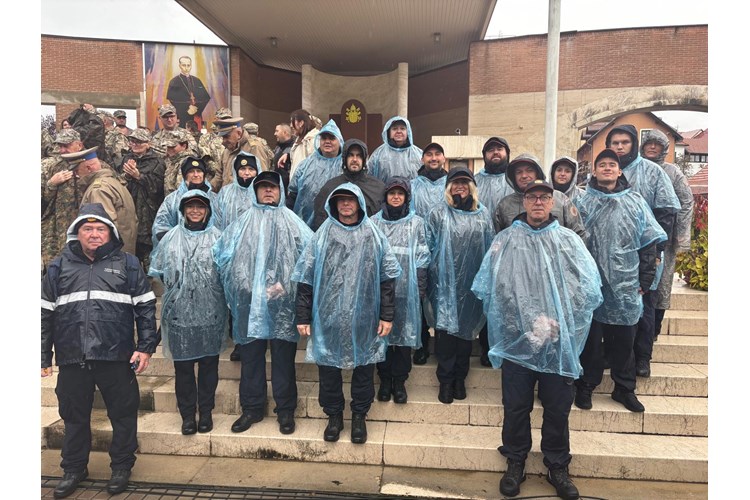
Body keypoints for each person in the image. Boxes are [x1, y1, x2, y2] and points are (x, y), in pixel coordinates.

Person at [472, 179, 602, 500]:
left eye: (545, 197)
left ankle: (557, 465)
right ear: (524, 202)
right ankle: (515, 461)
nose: (539, 202)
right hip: (519, 340)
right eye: (533, 197)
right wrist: (526, 323)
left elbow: (586, 288)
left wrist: (558, 321)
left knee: (557, 408)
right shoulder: (506, 240)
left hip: (558, 340)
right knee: (516, 406)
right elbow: (494, 288)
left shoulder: (569, 241)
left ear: (553, 202)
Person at [42, 203, 158, 497]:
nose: (94, 234)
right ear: (77, 233)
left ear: (110, 232)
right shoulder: (58, 266)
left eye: (100, 228)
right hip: (73, 357)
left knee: (123, 414)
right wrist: (43, 356)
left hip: (116, 355)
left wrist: (145, 348)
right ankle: (73, 469)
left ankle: (121, 467)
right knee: (73, 417)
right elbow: (44, 314)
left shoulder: (128, 264)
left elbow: (146, 307)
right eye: (87, 228)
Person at [292, 183, 401, 444]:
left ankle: (360, 416)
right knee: (328, 368)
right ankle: (334, 416)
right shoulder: (323, 234)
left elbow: (387, 278)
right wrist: (303, 315)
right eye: (340, 200)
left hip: (365, 315)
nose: (345, 204)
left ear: (359, 203)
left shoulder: (373, 234)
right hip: (328, 315)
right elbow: (306, 277)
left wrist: (387, 315)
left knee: (364, 367)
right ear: (333, 204)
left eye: (350, 199)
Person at [213, 171, 313, 435]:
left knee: (283, 359)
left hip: (282, 305)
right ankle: (252, 408)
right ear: (255, 191)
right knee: (251, 358)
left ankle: (285, 410)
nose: (268, 191)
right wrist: (245, 285)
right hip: (249, 305)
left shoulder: (293, 223)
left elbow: (308, 259)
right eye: (263, 187)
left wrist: (284, 285)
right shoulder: (241, 223)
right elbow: (224, 257)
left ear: (280, 190)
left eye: (273, 187)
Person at [573, 149, 667, 414]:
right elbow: (571, 243)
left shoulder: (635, 201)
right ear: (594, 171)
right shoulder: (582, 201)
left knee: (625, 341)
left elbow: (648, 241)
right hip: (591, 282)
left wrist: (646, 278)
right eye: (601, 164)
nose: (607, 168)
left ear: (619, 171)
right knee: (591, 341)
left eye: (611, 164)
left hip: (626, 283)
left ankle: (624, 389)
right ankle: (586, 385)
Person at [604, 125, 680, 379]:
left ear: (633, 144)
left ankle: (642, 358)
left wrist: (657, 251)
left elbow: (666, 211)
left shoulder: (652, 171)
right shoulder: (604, 171)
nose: (619, 147)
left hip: (645, 252)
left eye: (624, 142)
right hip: (612, 255)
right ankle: (612, 355)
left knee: (644, 305)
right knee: (612, 306)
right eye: (614, 142)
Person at [149, 190, 227, 435]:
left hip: (211, 314)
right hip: (179, 316)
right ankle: (187, 416)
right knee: (183, 370)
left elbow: (227, 273)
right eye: (190, 206)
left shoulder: (219, 238)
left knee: (208, 367)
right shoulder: (171, 238)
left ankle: (206, 412)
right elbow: (160, 271)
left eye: (200, 206)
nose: (195, 210)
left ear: (207, 210)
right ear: (183, 210)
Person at [425, 167, 494, 404]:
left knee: (466, 334)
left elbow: (490, 248)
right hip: (443, 284)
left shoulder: (483, 215)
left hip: (471, 284)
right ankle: (445, 381)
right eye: (455, 182)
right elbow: (427, 246)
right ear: (448, 187)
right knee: (445, 335)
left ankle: (460, 379)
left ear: (472, 186)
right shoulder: (437, 213)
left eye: (464, 182)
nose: (460, 186)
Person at [371, 177, 430, 404]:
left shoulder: (417, 223)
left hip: (408, 291)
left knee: (404, 338)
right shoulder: (374, 223)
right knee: (382, 336)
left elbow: (423, 256)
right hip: (380, 292)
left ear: (406, 197)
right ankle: (385, 379)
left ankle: (400, 381)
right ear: (385, 196)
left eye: (400, 193)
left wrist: (420, 288)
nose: (396, 197)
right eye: (392, 193)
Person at [640, 129, 695, 354]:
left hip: (665, 239)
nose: (652, 147)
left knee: (661, 285)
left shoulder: (673, 172)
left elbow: (686, 201)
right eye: (649, 143)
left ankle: (654, 329)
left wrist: (681, 236)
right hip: (638, 238)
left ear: (664, 148)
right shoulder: (635, 170)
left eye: (657, 144)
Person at [409, 142, 448, 365]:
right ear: (422, 159)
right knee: (420, 299)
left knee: (443, 298)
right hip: (418, 249)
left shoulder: (451, 184)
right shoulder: (413, 185)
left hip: (446, 250)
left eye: (437, 154)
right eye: (429, 155)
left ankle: (442, 346)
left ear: (444, 158)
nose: (433, 158)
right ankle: (421, 345)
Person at [62, 147, 138, 255]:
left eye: (77, 171)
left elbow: (103, 227)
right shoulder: (112, 182)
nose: (76, 176)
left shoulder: (98, 190)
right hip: (121, 253)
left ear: (88, 168)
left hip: (108, 256)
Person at [493, 153, 586, 240]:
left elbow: (578, 234)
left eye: (529, 170)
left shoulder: (560, 199)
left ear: (538, 173)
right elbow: (497, 240)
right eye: (519, 172)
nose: (524, 175)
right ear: (513, 176)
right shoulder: (505, 205)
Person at [311, 138, 386, 231]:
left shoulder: (377, 188)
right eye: (350, 155)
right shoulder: (330, 187)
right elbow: (320, 221)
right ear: (344, 159)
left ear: (364, 159)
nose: (354, 159)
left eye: (359, 156)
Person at [120, 128, 166, 271]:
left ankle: (150, 278)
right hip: (129, 208)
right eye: (133, 141)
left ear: (148, 144)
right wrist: (127, 176)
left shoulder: (157, 162)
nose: (135, 144)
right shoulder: (126, 159)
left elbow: (158, 187)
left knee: (147, 250)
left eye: (139, 142)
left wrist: (139, 176)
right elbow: (118, 182)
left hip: (148, 212)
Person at [286, 119, 345, 227]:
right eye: (324, 138)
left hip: (337, 226)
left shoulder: (345, 166)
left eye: (332, 138)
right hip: (305, 225)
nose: (327, 141)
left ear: (339, 141)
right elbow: (293, 194)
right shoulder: (305, 165)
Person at [42, 129, 86, 268]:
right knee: (56, 268)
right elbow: (42, 201)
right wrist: (52, 183)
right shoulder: (50, 166)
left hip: (85, 227)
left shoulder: (92, 163)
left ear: (79, 145)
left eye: (66, 145)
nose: (62, 150)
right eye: (60, 146)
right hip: (56, 231)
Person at [152, 155, 217, 247]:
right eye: (191, 171)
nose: (196, 175)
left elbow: (222, 226)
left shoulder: (215, 199)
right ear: (184, 175)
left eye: (199, 171)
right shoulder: (172, 200)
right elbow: (160, 227)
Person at [368, 116, 423, 182]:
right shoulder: (378, 154)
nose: (399, 131)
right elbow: (369, 178)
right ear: (389, 132)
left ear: (408, 131)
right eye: (394, 129)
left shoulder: (418, 154)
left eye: (402, 128)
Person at [213, 151, 259, 230]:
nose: (247, 173)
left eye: (251, 169)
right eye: (242, 169)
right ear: (236, 172)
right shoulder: (225, 192)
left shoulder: (262, 193)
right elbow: (217, 219)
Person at [166, 55, 211, 131]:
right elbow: (173, 100)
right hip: (183, 116)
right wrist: (187, 108)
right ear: (180, 65)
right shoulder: (174, 81)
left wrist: (197, 109)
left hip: (196, 115)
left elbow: (205, 98)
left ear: (191, 65)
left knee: (197, 133)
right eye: (184, 65)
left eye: (188, 65)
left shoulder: (197, 80)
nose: (186, 68)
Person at [215, 116, 260, 191]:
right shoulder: (227, 151)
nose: (223, 141)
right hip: (226, 195)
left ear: (239, 134)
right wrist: (207, 190)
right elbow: (218, 176)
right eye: (222, 137)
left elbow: (261, 178)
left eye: (226, 137)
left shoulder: (254, 148)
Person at [475, 136, 515, 214]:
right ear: (484, 155)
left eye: (499, 149)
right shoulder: (474, 182)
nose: (495, 152)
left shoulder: (516, 180)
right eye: (491, 150)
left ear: (507, 153)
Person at [163, 128, 198, 196]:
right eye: (168, 146)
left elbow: (182, 191)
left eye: (173, 147)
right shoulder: (173, 161)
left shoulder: (187, 163)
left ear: (184, 146)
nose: (169, 149)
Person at [286, 109, 318, 178]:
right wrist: (288, 156)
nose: (291, 125)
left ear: (301, 123)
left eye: (292, 121)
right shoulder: (299, 141)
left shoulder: (313, 141)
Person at [272, 122, 295, 194]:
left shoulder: (294, 148)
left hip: (289, 190)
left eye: (277, 131)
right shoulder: (278, 147)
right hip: (277, 186)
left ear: (285, 133)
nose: (275, 134)